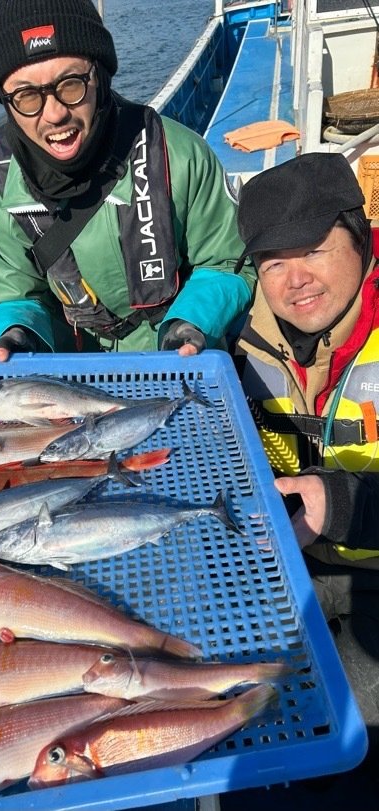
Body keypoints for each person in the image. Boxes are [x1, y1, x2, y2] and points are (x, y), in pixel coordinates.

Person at [0, 0, 255, 361]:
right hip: (74, 370)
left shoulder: (178, 155)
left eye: (71, 85)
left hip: (181, 359)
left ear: (100, 77)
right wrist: (16, 332)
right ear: (7, 103)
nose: (55, 114)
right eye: (27, 96)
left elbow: (226, 261)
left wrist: (191, 323)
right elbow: (6, 291)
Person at [232, 152, 379, 768]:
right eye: (273, 262)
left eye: (314, 250)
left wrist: (342, 502)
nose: (296, 281)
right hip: (289, 571)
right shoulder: (236, 343)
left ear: (359, 234)